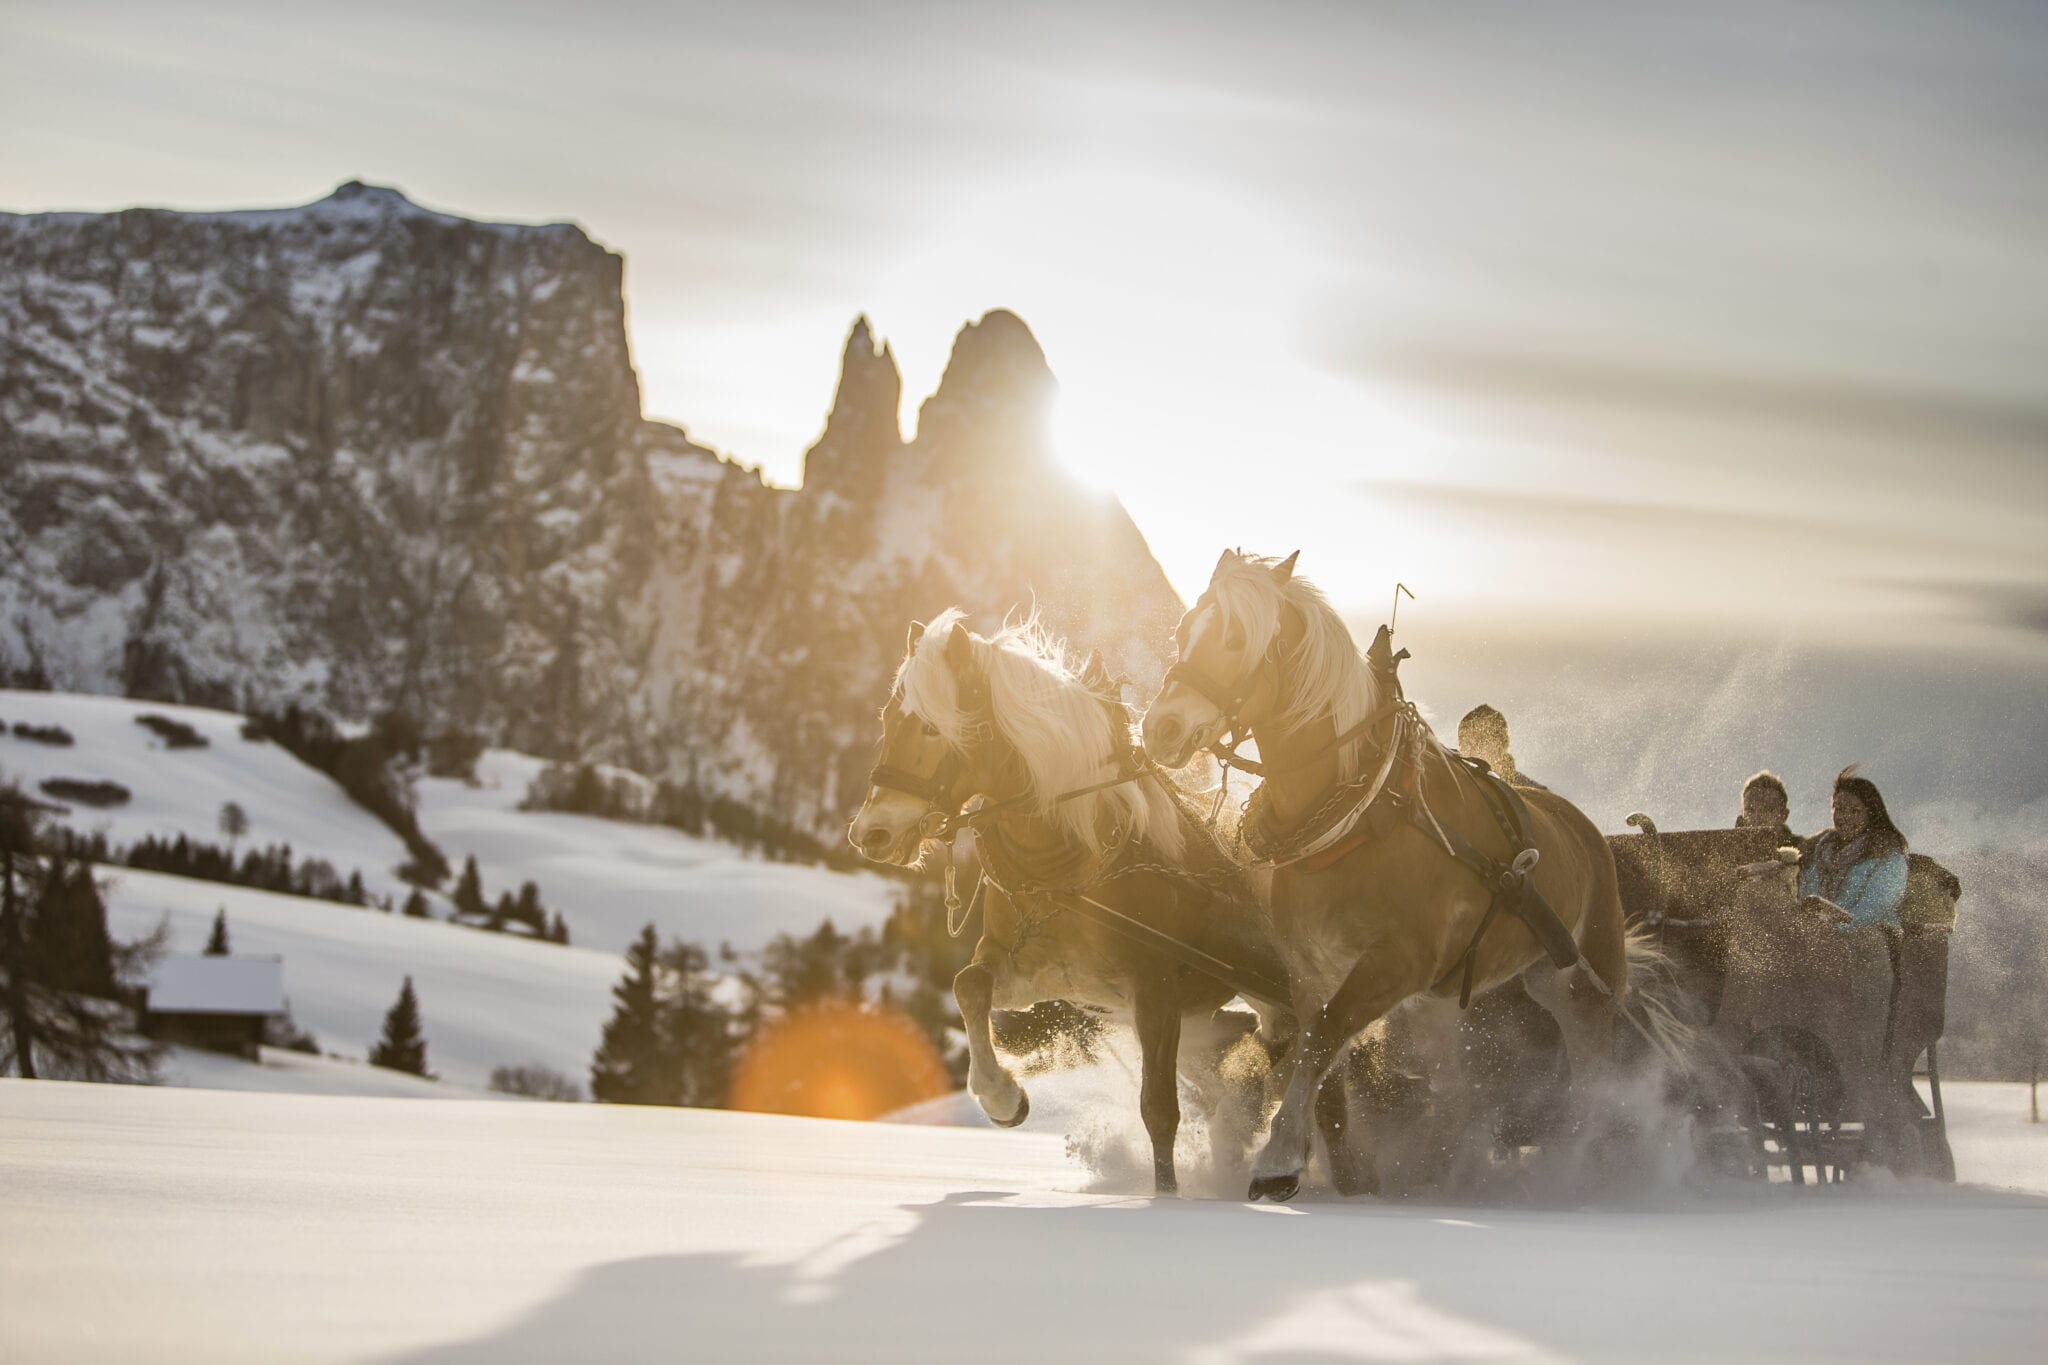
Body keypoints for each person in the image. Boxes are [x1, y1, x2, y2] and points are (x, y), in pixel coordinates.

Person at [1797, 768, 1909, 932]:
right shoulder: (1816, 852)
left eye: (1855, 811)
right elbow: (1802, 898)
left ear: (1871, 814)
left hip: (1868, 939)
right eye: (1839, 809)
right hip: (1814, 937)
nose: (1844, 817)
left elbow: (1874, 909)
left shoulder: (1888, 855)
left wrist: (1835, 928)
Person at [1457, 704, 1545, 788]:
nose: (1468, 750)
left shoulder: (1533, 793)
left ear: (1500, 746)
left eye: (1478, 743)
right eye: (1463, 744)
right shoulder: (1460, 786)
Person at [1735, 770, 1801, 850]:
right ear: (1742, 813)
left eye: (1767, 810)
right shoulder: (1728, 849)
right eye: (1750, 810)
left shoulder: (1804, 851)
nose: (1757, 817)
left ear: (1784, 815)